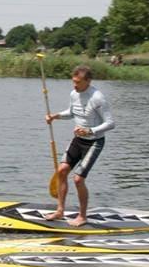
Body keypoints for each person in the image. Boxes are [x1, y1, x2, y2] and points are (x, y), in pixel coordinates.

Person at [44, 65, 115, 226]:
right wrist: (55, 116)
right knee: (62, 171)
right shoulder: (74, 94)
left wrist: (90, 130)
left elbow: (111, 123)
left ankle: (82, 216)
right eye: (73, 82)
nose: (74, 86)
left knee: (78, 179)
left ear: (88, 81)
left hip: (94, 142)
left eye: (78, 82)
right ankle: (60, 210)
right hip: (78, 140)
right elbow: (72, 112)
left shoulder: (98, 98)